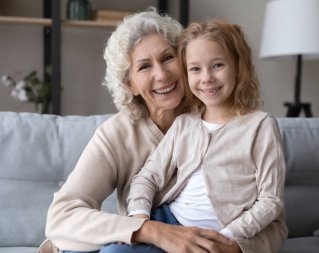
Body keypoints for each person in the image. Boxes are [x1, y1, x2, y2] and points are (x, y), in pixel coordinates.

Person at [39, 10, 238, 253]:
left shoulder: (222, 117)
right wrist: (152, 230)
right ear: (130, 84)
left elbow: (274, 222)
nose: (161, 74)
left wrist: (235, 248)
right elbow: (61, 217)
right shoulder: (118, 134)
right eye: (144, 66)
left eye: (167, 58)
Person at [126, 20, 289, 253]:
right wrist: (140, 217)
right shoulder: (184, 124)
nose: (206, 78)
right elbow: (147, 177)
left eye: (218, 65)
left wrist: (226, 238)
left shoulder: (260, 126)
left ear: (238, 67)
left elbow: (271, 200)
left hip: (223, 235)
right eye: (195, 69)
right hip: (171, 223)